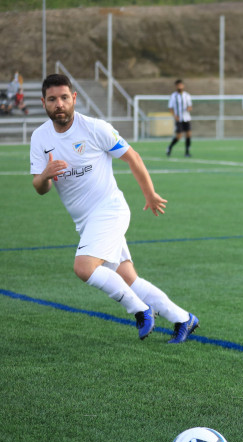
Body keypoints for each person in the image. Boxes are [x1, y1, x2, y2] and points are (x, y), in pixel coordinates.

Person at [30, 74, 199, 343]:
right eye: (52, 99)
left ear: (74, 98)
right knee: (128, 278)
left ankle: (141, 310)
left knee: (84, 267)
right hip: (85, 221)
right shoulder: (40, 138)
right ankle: (183, 318)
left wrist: (150, 194)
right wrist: (45, 175)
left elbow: (132, 157)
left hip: (110, 210)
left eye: (64, 97)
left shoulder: (95, 128)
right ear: (43, 102)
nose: (59, 104)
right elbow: (40, 188)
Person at [166, 79, 192, 157]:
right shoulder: (173, 96)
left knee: (188, 134)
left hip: (186, 118)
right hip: (178, 118)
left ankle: (187, 152)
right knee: (179, 136)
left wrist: (188, 109)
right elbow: (170, 108)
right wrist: (175, 116)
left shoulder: (187, 95)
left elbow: (190, 106)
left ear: (183, 86)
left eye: (181, 85)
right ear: (176, 86)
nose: (180, 87)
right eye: (178, 85)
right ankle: (170, 147)